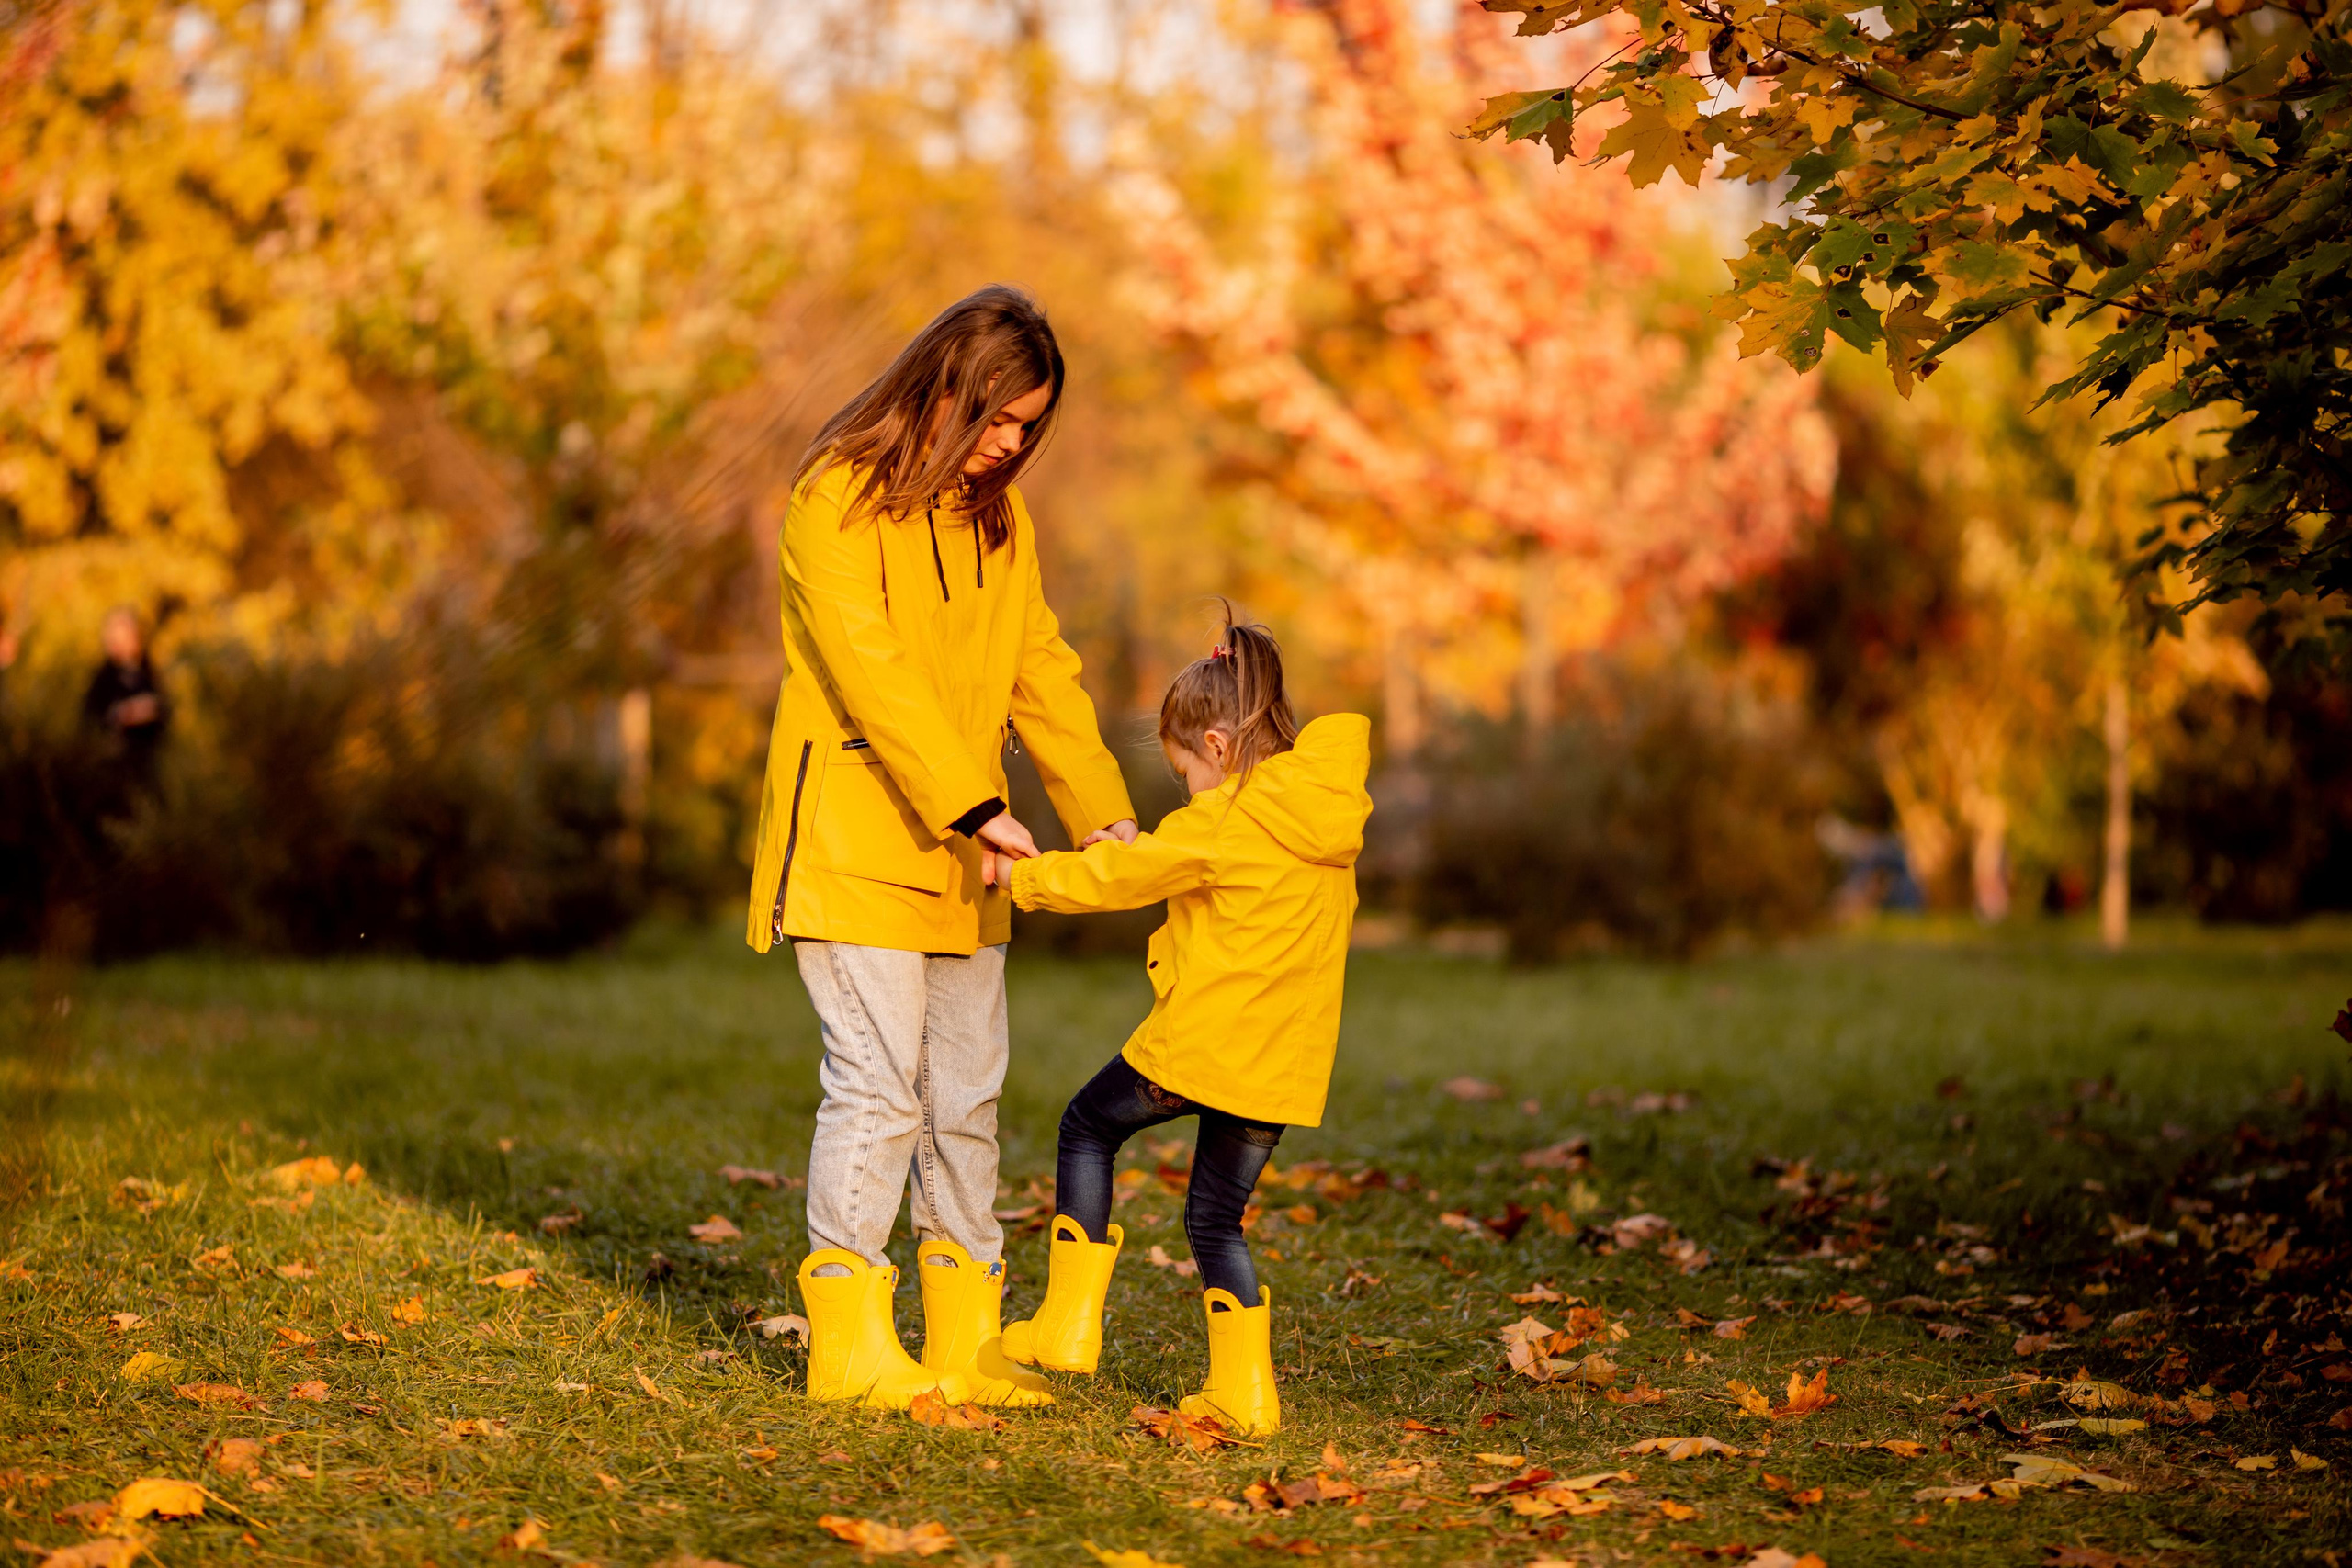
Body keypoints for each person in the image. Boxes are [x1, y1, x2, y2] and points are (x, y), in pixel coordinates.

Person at [749, 285, 1140, 1410]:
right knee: (877, 1093)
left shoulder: (999, 525)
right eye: (999, 420)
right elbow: (871, 672)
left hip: (968, 858)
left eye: (1029, 428)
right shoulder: (835, 500)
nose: (1011, 446)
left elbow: (1041, 668)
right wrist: (975, 804)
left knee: (965, 1098)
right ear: (945, 391)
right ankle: (849, 1340)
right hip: (857, 840)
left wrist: (1099, 809)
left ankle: (964, 1338)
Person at [999, 609, 1372, 1435]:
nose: (1185, 790)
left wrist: (1023, 882)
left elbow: (1122, 878)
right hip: (1279, 1068)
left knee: (1088, 1127)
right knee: (1213, 1219)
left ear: (1217, 746)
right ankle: (1246, 1395)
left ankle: (1066, 1323)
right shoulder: (1327, 826)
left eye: (1182, 771)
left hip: (1202, 1043)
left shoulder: (1225, 818)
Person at [82, 607, 169, 786]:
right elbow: (91, 718)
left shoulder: (147, 672)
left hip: (146, 766)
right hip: (112, 769)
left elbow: (164, 712)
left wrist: (153, 710)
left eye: (122, 638)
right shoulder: (103, 677)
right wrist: (126, 713)